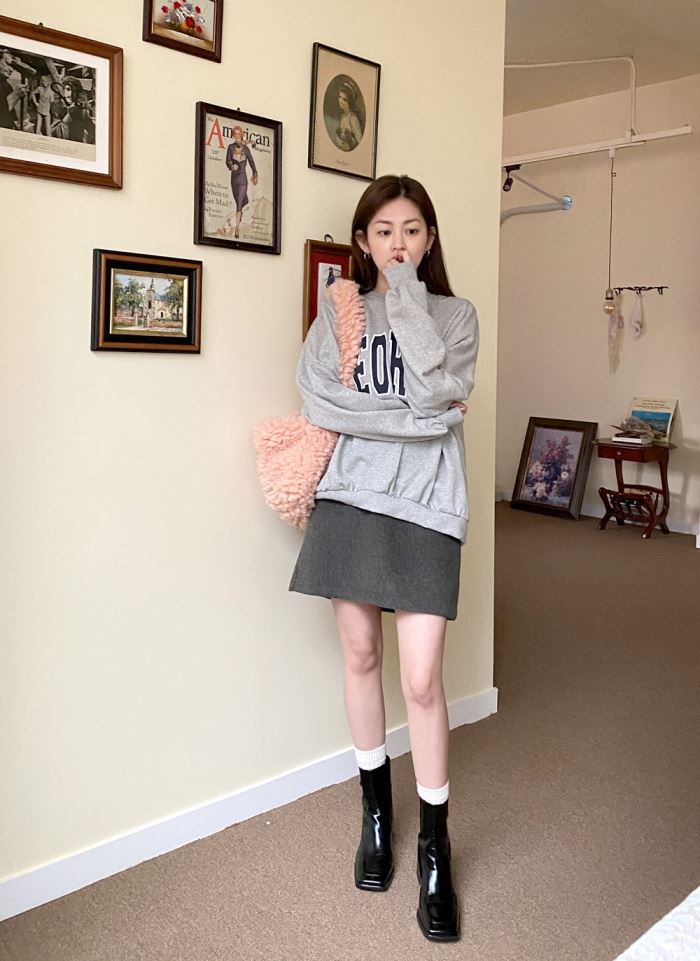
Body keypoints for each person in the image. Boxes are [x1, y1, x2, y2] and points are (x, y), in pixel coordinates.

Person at [289, 174, 479, 942]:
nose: (397, 243)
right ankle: (375, 815)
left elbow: (439, 390)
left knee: (422, 679)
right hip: (349, 498)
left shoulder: (456, 316)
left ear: (429, 238)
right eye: (383, 231)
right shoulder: (337, 310)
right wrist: (415, 418)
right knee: (362, 655)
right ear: (362, 241)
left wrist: (405, 298)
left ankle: (435, 846)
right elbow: (319, 402)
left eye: (411, 229)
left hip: (430, 503)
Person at [225, 126, 258, 239]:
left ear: (242, 135)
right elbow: (227, 161)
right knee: (239, 201)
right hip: (234, 180)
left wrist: (255, 174)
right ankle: (242, 213)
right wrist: (231, 166)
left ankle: (237, 228)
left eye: (239, 134)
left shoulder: (246, 149)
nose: (237, 136)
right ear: (233, 135)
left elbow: (252, 162)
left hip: (243, 180)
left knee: (239, 203)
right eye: (235, 133)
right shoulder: (230, 147)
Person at [334, 79, 362, 151]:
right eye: (339, 97)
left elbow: (360, 143)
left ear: (350, 101)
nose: (340, 101)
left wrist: (350, 143)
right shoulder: (343, 116)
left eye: (344, 99)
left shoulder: (353, 118)